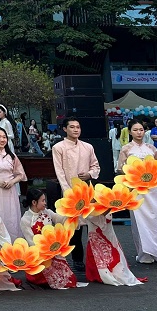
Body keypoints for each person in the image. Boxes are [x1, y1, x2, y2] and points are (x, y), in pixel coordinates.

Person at [117, 119, 157, 264]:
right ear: (130, 132)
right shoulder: (126, 149)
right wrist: (133, 175)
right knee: (140, 222)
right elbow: (120, 168)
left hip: (152, 189)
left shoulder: (151, 148)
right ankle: (145, 253)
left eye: (141, 129)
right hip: (136, 189)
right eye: (135, 130)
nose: (139, 132)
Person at [52, 116, 101, 273]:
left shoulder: (88, 147)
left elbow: (96, 166)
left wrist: (89, 174)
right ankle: (78, 260)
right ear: (65, 129)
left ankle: (96, 259)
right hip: (70, 193)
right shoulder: (58, 147)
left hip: (87, 192)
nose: (75, 130)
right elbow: (59, 172)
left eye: (78, 127)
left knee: (92, 225)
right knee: (75, 227)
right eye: (72, 127)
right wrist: (67, 192)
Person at [20, 188, 82, 289]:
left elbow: (59, 219)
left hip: (53, 250)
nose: (45, 203)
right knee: (54, 280)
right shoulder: (25, 220)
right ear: (34, 202)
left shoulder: (47, 212)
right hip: (39, 255)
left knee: (70, 280)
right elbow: (31, 242)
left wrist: (71, 214)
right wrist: (47, 252)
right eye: (43, 200)